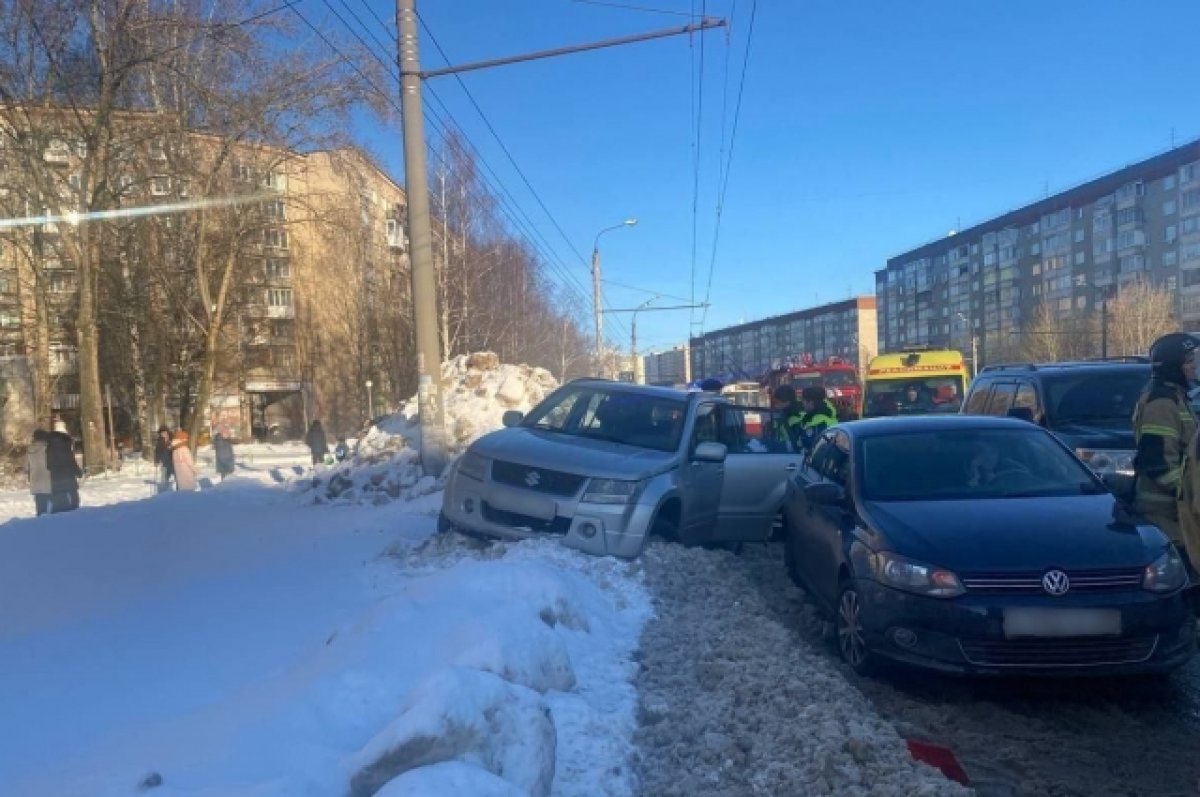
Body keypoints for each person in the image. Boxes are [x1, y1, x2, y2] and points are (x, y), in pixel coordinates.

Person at [1133, 333, 1198, 551]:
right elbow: (1159, 463)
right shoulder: (1162, 402)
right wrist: (1192, 491)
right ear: (1172, 366)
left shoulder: (1177, 397)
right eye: (1188, 362)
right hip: (1165, 516)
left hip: (1181, 513)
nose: (1194, 367)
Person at [47, 421, 82, 512]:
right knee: (73, 496)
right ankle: (74, 511)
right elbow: (70, 460)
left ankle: (59, 511)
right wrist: (78, 472)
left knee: (58, 498)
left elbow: (47, 463)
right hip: (68, 475)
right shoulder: (66, 445)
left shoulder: (49, 445)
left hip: (55, 476)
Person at [798, 386, 839, 450]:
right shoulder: (822, 416)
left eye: (803, 400)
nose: (802, 403)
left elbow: (812, 447)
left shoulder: (819, 422)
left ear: (811, 402)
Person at [771, 385, 806, 449]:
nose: (775, 406)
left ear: (787, 402)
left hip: (791, 454)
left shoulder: (798, 419)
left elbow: (798, 443)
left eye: (777, 402)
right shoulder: (782, 415)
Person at [27, 429, 52, 516]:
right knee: (49, 507)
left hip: (35, 479)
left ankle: (40, 522)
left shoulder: (30, 449)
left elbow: (27, 466)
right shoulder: (47, 449)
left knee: (39, 506)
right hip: (47, 479)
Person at [154, 425, 175, 493]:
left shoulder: (172, 439)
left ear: (167, 432)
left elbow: (176, 448)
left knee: (177, 476)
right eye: (161, 433)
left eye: (164, 432)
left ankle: (179, 491)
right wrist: (156, 461)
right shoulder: (159, 442)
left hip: (173, 461)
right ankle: (164, 492)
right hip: (164, 462)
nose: (163, 434)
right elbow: (157, 452)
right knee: (164, 478)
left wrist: (171, 448)